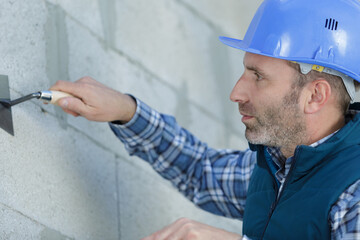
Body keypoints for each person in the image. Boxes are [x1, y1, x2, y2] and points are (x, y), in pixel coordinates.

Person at [49, 0, 360, 239]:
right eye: (245, 71)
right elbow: (200, 171)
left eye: (258, 76)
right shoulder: (279, 165)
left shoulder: (353, 191)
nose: (236, 92)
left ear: (315, 96)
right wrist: (126, 111)